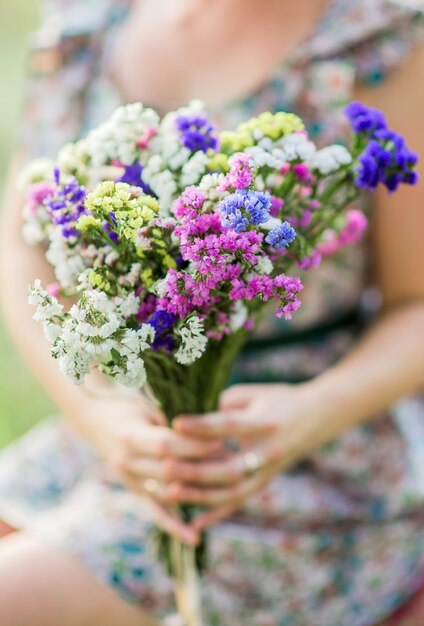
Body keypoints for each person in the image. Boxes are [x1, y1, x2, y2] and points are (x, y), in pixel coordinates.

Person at [0, 0, 424, 625]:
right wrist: (104, 419)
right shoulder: (88, 24)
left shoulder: (377, 43)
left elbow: (415, 305)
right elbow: (23, 242)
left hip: (292, 468)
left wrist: (310, 415)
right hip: (115, 438)